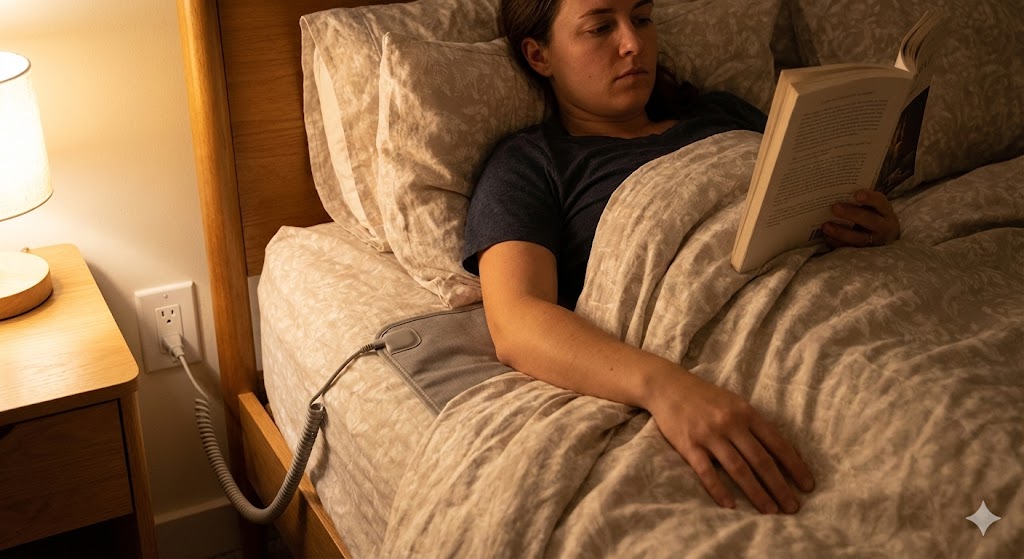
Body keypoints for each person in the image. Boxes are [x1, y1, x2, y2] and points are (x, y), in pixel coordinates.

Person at [462, 0, 901, 515]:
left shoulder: (723, 112)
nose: (633, 44)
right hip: (749, 348)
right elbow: (516, 322)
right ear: (539, 56)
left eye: (642, 19)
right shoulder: (531, 165)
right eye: (601, 27)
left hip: (862, 298)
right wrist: (665, 388)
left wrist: (874, 226)